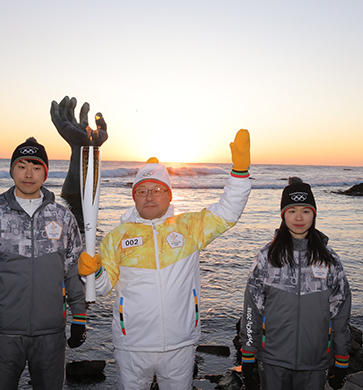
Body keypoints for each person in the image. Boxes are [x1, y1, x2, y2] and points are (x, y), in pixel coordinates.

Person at [79, 129, 252, 390]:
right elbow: (101, 289)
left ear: (169, 195)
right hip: (132, 345)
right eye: (142, 191)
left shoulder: (189, 228)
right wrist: (92, 272)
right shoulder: (117, 237)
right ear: (134, 197)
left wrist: (239, 174)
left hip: (180, 343)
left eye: (157, 190)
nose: (149, 196)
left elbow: (228, 212)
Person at [0, 137, 87, 390]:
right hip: (3, 333)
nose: (28, 174)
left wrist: (80, 317)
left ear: (46, 173)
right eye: (21, 166)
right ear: (12, 170)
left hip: (51, 333)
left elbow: (73, 270)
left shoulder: (63, 217)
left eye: (36, 167)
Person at [238, 177, 352, 390]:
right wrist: (248, 354)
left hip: (315, 360)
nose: (299, 218)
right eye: (292, 211)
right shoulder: (267, 256)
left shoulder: (329, 260)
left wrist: (342, 357)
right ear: (283, 215)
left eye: (305, 211)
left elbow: (341, 314)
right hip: (273, 359)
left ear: (314, 214)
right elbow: (252, 308)